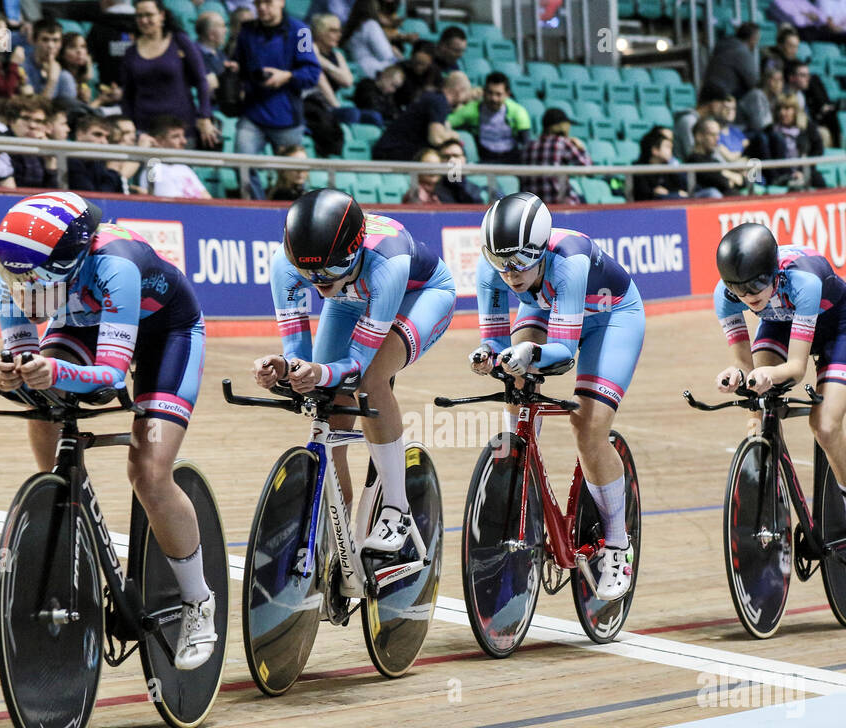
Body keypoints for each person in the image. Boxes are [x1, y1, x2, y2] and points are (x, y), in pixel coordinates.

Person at [0, 192, 217, 668]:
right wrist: (15, 375)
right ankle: (64, 499)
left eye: (37, 285)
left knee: (149, 473)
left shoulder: (115, 267)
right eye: (17, 285)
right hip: (85, 324)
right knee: (40, 393)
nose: (23, 296)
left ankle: (199, 601)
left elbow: (112, 378)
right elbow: (25, 362)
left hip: (166, 333)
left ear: (71, 266)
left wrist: (51, 374)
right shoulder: (11, 276)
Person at [253, 189, 457, 552]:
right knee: (327, 407)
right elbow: (301, 361)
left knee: (370, 380)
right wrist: (285, 369)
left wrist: (320, 372)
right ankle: (336, 537)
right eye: (307, 271)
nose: (317, 281)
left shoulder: (387, 261)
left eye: (329, 269)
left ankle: (397, 508)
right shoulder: (285, 264)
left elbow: (356, 366)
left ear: (354, 251)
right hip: (351, 299)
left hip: (420, 295)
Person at [470, 192, 646, 600]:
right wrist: (488, 357)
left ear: (540, 248)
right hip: (547, 306)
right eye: (501, 263)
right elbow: (493, 341)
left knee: (587, 426)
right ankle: (524, 471)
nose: (509, 273)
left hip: (610, 319)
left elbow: (563, 355)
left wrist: (526, 354)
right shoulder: (493, 266)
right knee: (516, 390)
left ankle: (618, 545)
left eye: (519, 262)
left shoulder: (569, 258)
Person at [713, 222, 846, 577]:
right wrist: (738, 375)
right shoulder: (726, 296)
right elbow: (743, 364)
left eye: (756, 285)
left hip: (839, 329)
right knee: (755, 411)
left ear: (773, 272)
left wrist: (771, 374)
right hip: (782, 323)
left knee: (825, 425)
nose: (748, 296)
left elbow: (797, 368)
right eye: (738, 289)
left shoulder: (803, 281)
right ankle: (769, 503)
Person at [230, 0, 321, 197]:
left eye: (267, 2)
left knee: (294, 174)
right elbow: (240, 65)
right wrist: (235, 70)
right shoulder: (247, 31)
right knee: (242, 164)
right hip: (253, 112)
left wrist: (288, 76)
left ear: (281, 2)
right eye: (258, 3)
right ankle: (256, 207)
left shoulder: (301, 31)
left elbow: (312, 73)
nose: (262, 7)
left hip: (287, 115)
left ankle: (294, 214)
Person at [121, 0, 217, 148]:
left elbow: (201, 80)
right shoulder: (131, 52)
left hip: (181, 129)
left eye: (149, 15)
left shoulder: (179, 41)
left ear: (162, 15)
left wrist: (204, 115)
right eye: (139, 16)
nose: (144, 20)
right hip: (146, 130)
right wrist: (128, 125)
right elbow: (128, 94)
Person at [371, 69, 471, 161]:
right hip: (392, 153)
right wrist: (453, 135)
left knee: (451, 156)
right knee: (451, 155)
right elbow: (436, 139)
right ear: (459, 90)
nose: (465, 101)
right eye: (466, 93)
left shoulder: (434, 98)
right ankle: (454, 179)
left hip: (396, 151)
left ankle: (455, 179)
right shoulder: (439, 101)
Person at [310, 12, 382, 126]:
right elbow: (320, 81)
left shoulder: (338, 55)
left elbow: (348, 81)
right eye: (333, 31)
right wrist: (336, 107)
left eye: (339, 31)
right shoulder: (310, 50)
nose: (339, 35)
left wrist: (324, 64)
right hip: (316, 105)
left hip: (333, 104)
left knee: (374, 117)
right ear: (320, 32)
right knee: (351, 114)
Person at [447, 71, 533, 164]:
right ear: (484, 92)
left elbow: (526, 144)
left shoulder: (518, 112)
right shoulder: (471, 110)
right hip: (484, 158)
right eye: (490, 93)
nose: (493, 98)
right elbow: (447, 122)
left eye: (498, 94)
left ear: (507, 94)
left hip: (511, 158)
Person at [519, 106, 591, 204]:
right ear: (560, 126)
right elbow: (587, 167)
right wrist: (581, 148)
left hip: (532, 204)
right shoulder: (562, 142)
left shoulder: (528, 145)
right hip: (557, 203)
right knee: (581, 198)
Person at [769, 0, 846, 67]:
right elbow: (797, 21)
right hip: (799, 32)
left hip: (815, 30)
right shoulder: (777, 2)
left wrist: (809, 16)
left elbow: (823, 18)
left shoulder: (802, 1)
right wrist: (811, 17)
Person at [139, 113, 211, 196]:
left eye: (183, 136)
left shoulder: (184, 168)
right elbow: (172, 204)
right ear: (158, 141)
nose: (184, 141)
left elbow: (207, 199)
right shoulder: (154, 170)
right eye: (176, 137)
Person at [765, 93, 825, 188]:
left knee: (819, 180)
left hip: (804, 171)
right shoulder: (770, 131)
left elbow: (818, 149)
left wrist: (802, 171)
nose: (782, 113)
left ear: (795, 111)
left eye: (787, 109)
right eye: (779, 109)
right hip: (782, 176)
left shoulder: (807, 127)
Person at [3, 94, 59, 189]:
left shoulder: (43, 146)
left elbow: (53, 196)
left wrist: (50, 162)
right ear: (12, 120)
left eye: (38, 121)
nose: (32, 125)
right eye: (26, 119)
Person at [60, 30, 122, 109]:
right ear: (62, 53)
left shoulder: (88, 74)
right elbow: (79, 114)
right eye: (72, 47)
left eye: (83, 46)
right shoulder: (64, 77)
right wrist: (100, 100)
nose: (79, 51)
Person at [24, 18, 79, 106]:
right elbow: (31, 110)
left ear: (61, 44)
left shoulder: (65, 76)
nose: (50, 45)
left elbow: (70, 113)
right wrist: (52, 81)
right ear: (34, 41)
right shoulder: (22, 68)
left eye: (55, 40)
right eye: (45, 40)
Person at [686, 117, 745, 197]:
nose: (717, 139)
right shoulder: (693, 160)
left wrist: (726, 174)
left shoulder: (714, 160)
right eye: (712, 134)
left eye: (718, 134)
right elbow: (724, 183)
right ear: (699, 137)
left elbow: (743, 182)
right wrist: (728, 175)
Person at [674, 82, 731, 162]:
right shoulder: (688, 121)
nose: (722, 109)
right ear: (713, 103)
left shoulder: (709, 121)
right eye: (721, 104)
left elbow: (714, 154)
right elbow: (693, 156)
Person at [703, 22, 761, 100]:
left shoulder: (725, 45)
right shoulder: (741, 51)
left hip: (707, 91)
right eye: (757, 39)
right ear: (753, 38)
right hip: (724, 96)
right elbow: (753, 82)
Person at [67, 113, 124, 192]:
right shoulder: (71, 161)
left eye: (107, 137)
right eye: (97, 135)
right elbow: (94, 200)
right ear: (79, 134)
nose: (104, 142)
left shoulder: (101, 163)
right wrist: (112, 172)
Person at [343, 0, 398, 79]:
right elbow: (386, 55)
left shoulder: (351, 26)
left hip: (360, 69)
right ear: (373, 9)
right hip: (376, 71)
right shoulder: (370, 25)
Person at [633, 126, 689, 201]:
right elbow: (645, 194)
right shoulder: (639, 169)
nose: (671, 152)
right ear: (655, 150)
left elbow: (682, 189)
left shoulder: (668, 168)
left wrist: (671, 193)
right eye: (667, 147)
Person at [435, 138, 483, 203]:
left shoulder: (475, 188)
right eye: (446, 157)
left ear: (464, 159)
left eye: (456, 156)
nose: (451, 160)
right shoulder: (434, 188)